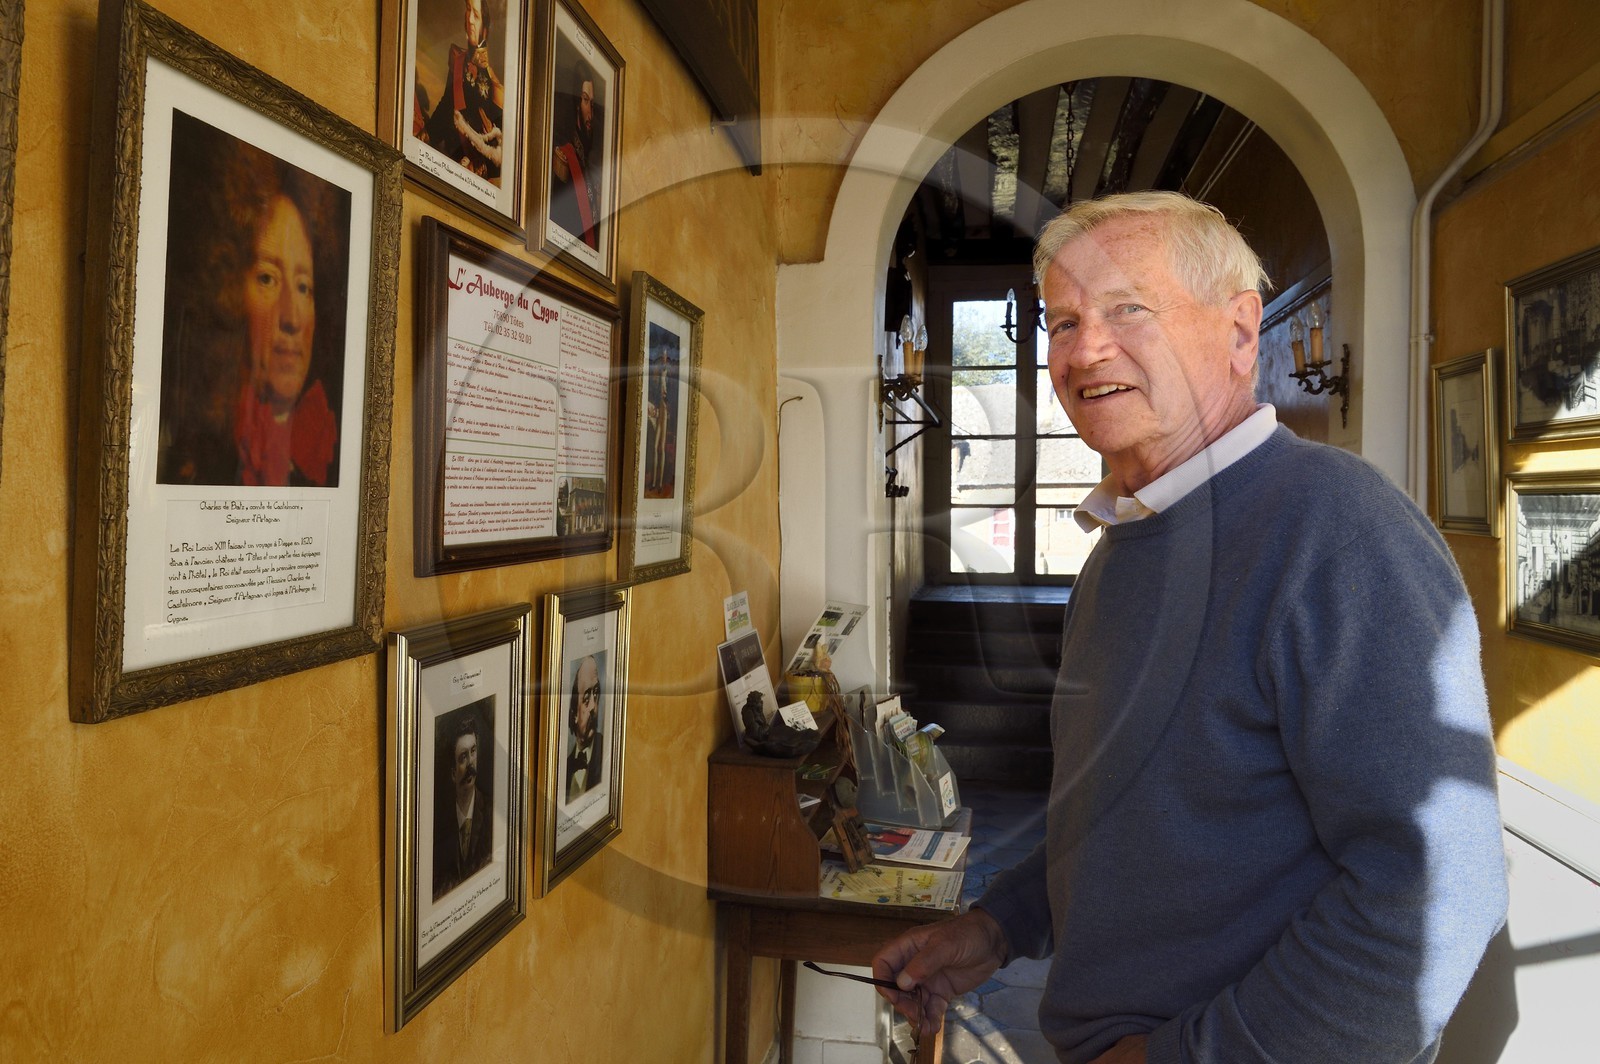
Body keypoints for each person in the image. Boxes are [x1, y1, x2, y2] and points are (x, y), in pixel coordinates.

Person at [872, 191, 1507, 1064]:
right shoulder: (1122, 547)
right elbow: (1131, 814)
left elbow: (1439, 890)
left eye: (1129, 308)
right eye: (1062, 322)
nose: (1086, 348)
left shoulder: (1340, 532)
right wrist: (997, 928)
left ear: (1242, 333)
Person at [156, 116, 346, 487]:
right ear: (227, 293)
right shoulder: (193, 459)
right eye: (267, 278)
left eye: (304, 287)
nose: (292, 317)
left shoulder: (329, 451)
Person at [417, 0, 504, 180]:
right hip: (446, 157)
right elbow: (447, 105)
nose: (470, 19)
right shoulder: (458, 59)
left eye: (477, 15)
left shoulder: (495, 84)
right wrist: (425, 136)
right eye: (468, 10)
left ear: (485, 28)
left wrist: (479, 168)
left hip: (474, 175)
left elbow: (502, 150)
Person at [433, 712, 493, 900]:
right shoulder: (439, 824)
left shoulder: (491, 812)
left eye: (473, 752)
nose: (470, 764)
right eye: (463, 757)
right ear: (452, 773)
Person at [549, 56, 600, 248]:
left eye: (592, 104)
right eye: (586, 101)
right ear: (577, 103)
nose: (590, 113)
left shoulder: (586, 161)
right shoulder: (565, 155)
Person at [565, 655, 604, 803]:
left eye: (596, 693)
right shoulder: (565, 766)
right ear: (574, 712)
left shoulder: (606, 750)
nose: (594, 706)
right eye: (587, 698)